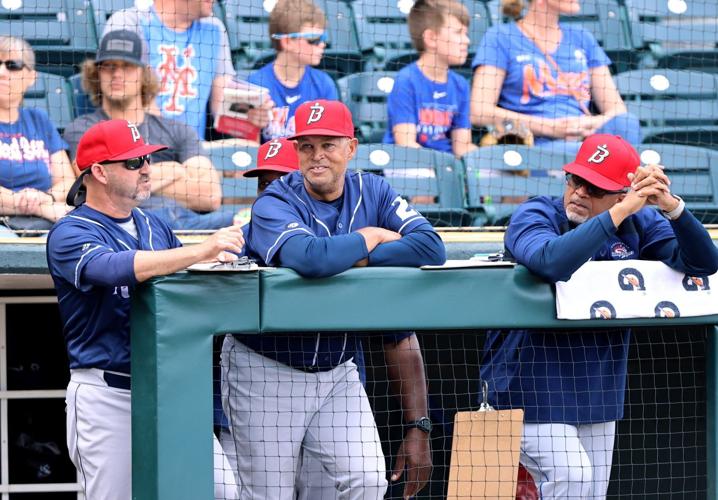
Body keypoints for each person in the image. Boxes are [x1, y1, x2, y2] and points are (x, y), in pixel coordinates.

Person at [222, 100, 445, 500]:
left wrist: (356, 257)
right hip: (268, 367)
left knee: (368, 480)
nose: (317, 155)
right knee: (266, 495)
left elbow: (431, 247)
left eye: (328, 144)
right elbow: (309, 258)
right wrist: (372, 236)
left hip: (338, 369)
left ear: (351, 147)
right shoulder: (274, 200)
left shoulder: (373, 189)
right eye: (306, 146)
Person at [481, 134, 718, 498]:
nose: (579, 193)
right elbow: (551, 261)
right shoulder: (537, 212)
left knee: (590, 491)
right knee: (573, 477)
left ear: (623, 192)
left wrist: (671, 207)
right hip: (526, 389)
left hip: (598, 392)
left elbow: (704, 263)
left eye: (595, 188)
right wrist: (619, 211)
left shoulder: (641, 225)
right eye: (577, 180)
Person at [46, 119, 243, 500]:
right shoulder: (70, 231)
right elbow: (112, 267)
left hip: (170, 390)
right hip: (108, 393)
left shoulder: (155, 226)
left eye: (147, 160)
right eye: (133, 163)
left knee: (222, 492)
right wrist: (201, 249)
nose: (147, 169)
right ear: (99, 172)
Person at [64, 30, 234, 230]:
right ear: (97, 73)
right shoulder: (84, 128)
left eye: (127, 66)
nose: (117, 74)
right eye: (108, 66)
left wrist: (130, 181)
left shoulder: (177, 130)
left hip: (189, 225)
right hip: (124, 227)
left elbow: (210, 195)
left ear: (144, 74)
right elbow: (97, 187)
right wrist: (172, 171)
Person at [470, 0, 642, 150]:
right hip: (533, 143)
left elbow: (617, 109)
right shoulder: (500, 37)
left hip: (583, 140)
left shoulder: (582, 37)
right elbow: (479, 111)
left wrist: (589, 124)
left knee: (626, 123)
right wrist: (550, 128)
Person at [103, 0, 271, 138]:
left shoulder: (214, 28)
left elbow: (223, 101)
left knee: (244, 156)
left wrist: (248, 112)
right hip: (142, 147)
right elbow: (130, 102)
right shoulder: (129, 22)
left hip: (195, 153)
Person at [0, 35, 74, 235]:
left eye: (12, 65)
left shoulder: (38, 120)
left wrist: (47, 198)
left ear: (31, 77)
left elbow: (67, 181)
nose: (2, 72)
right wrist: (42, 207)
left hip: (46, 218)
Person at [383, 0, 477, 158]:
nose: (467, 40)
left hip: (446, 164)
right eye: (458, 32)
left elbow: (462, 146)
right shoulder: (406, 80)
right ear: (431, 38)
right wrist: (442, 169)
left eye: (466, 33)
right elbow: (405, 144)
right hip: (407, 162)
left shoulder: (460, 84)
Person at [248, 0, 338, 142]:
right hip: (269, 162)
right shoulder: (255, 85)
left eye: (324, 38)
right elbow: (248, 149)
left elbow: (331, 142)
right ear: (287, 42)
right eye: (314, 39)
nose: (322, 44)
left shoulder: (324, 84)